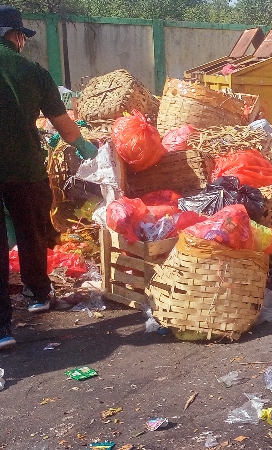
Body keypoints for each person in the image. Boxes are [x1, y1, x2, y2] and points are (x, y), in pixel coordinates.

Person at [0, 5, 98, 350]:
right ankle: (38, 295)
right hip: (25, 167)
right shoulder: (33, 71)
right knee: (30, 230)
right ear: (15, 37)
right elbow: (61, 122)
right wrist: (83, 144)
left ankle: (2, 329)